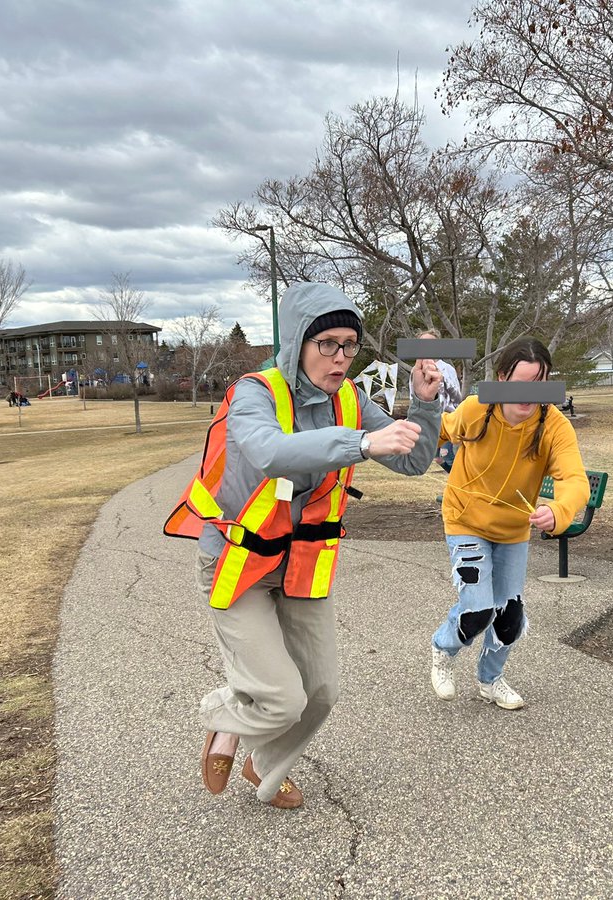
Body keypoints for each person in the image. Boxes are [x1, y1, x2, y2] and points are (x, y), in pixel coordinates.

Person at [173, 283, 443, 808]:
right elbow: (271, 451)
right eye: (327, 344)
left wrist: (425, 406)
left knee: (319, 694)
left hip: (302, 560)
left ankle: (261, 765)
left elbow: (411, 461)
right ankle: (224, 717)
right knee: (279, 696)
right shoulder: (255, 392)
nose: (341, 357)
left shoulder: (350, 399)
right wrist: (361, 444)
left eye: (350, 345)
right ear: (297, 341)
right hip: (238, 558)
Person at [428, 337, 590, 709]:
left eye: (539, 385)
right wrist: (421, 448)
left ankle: (490, 679)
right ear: (502, 377)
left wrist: (559, 511)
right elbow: (441, 428)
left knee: (509, 615)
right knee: (478, 609)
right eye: (520, 382)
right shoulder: (476, 409)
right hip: (465, 519)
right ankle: (442, 647)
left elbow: (574, 480)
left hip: (513, 530)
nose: (527, 395)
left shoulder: (553, 426)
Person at [408, 330, 463, 471]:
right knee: (432, 458)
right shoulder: (415, 371)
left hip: (447, 421)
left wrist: (443, 381)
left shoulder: (447, 369)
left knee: (447, 456)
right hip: (427, 422)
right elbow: (412, 397)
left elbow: (457, 397)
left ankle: (456, 487)